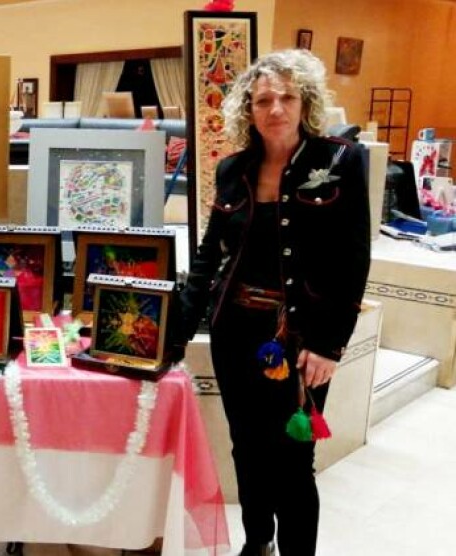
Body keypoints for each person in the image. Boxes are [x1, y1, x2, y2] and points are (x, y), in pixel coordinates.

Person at [179, 50, 370, 556]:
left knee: (293, 459)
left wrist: (329, 345)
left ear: (305, 102)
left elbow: (353, 259)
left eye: (287, 97)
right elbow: (208, 257)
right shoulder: (232, 169)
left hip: (300, 339)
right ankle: (257, 541)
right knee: (246, 445)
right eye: (263, 100)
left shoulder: (340, 161)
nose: (276, 108)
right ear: (249, 108)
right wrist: (174, 335)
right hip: (235, 331)